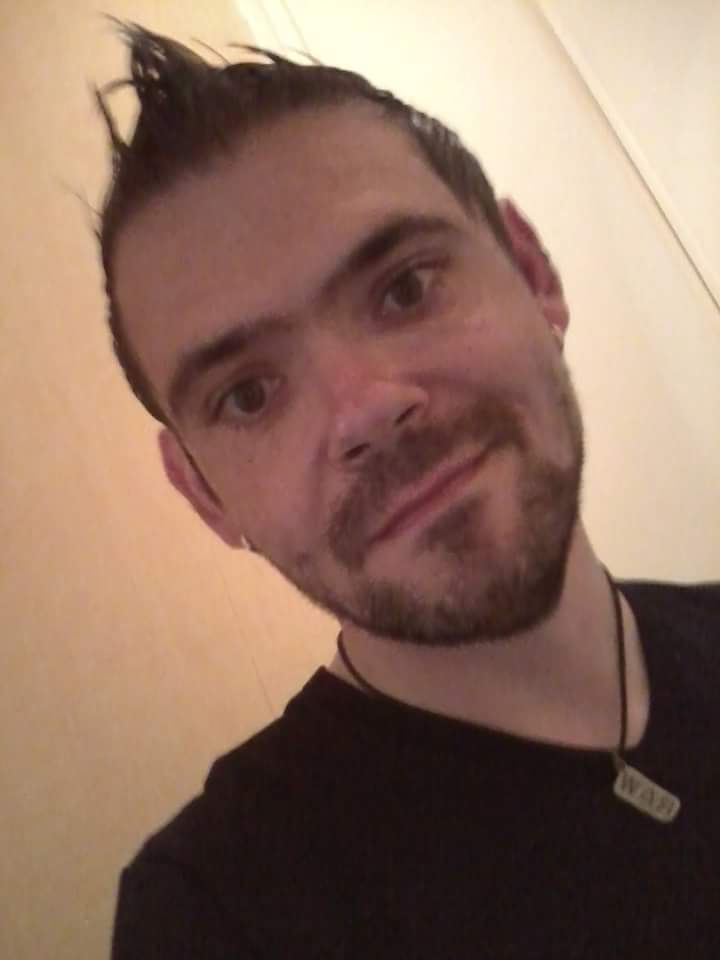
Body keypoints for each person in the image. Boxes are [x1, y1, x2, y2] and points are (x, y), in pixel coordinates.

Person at [98, 22, 720, 959]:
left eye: (405, 288)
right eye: (249, 394)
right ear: (205, 496)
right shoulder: (219, 914)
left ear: (533, 275)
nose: (366, 409)